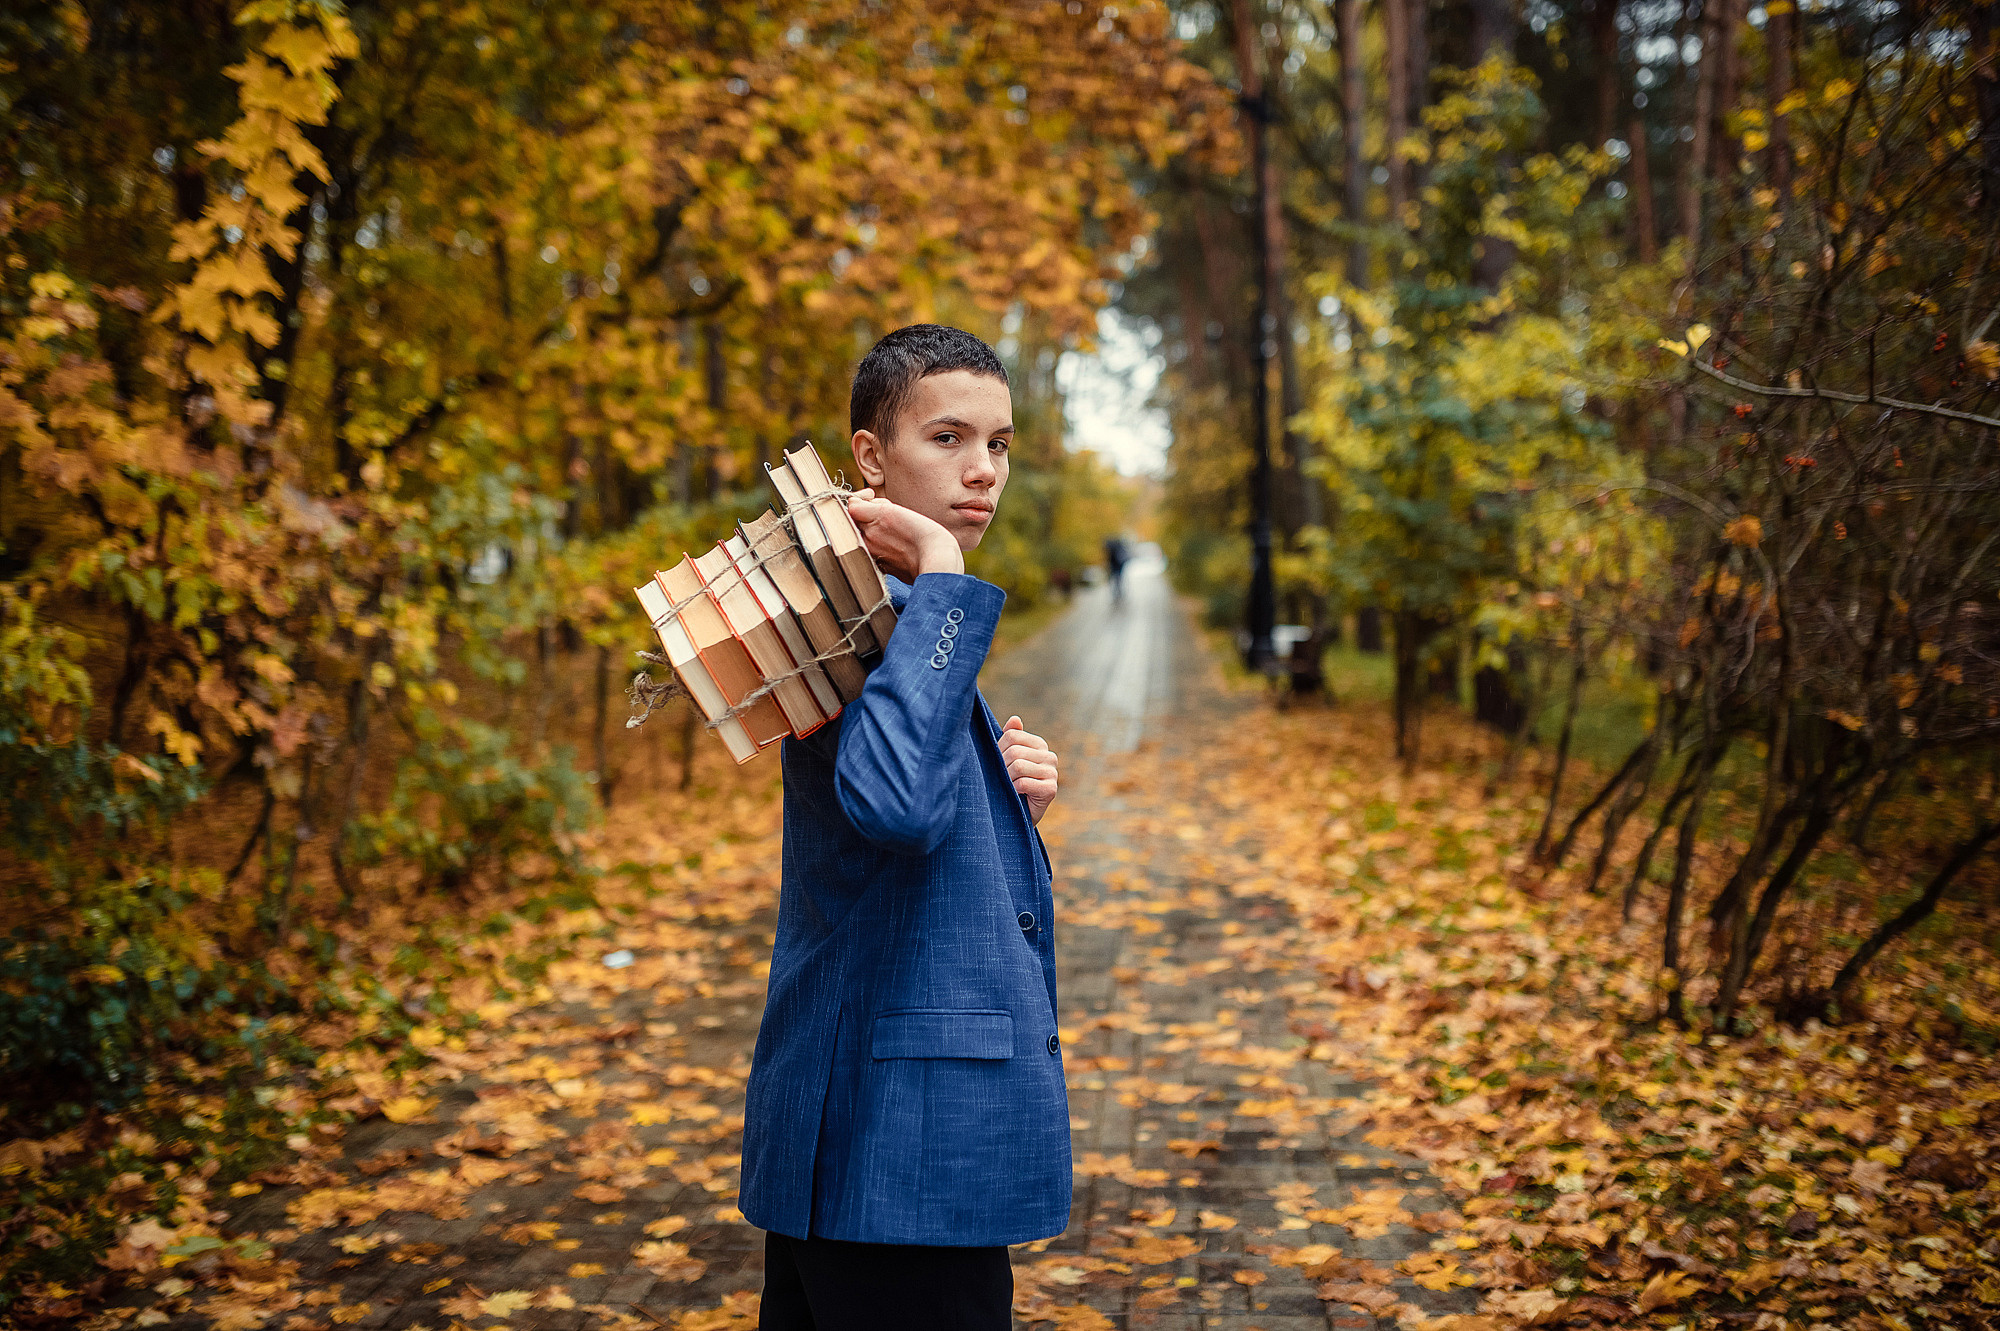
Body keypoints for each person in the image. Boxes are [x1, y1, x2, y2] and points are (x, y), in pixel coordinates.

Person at [739, 325, 1067, 1330]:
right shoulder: (853, 618)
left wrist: (1011, 804)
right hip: (898, 1145)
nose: (982, 472)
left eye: (999, 444)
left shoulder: (888, 612)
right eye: (949, 438)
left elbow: (896, 819)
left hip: (876, 1132)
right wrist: (937, 567)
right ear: (870, 456)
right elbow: (892, 805)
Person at [1103, 534, 1128, 602]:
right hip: (1118, 567)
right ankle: (1119, 593)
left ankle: (1117, 594)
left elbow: (1109, 559)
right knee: (1118, 581)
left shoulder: (1111, 549)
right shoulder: (1117, 547)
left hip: (1115, 567)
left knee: (1115, 581)